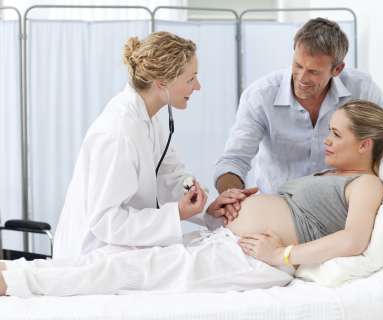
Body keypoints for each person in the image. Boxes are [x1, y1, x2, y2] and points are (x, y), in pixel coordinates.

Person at [0, 100, 383, 297]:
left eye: (336, 135)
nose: (326, 140)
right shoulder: (332, 174)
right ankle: (13, 272)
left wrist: (283, 255)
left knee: (128, 270)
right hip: (227, 243)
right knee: (116, 255)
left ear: (366, 144)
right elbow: (295, 210)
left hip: (250, 258)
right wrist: (247, 201)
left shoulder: (367, 185)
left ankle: (11, 282)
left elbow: (353, 241)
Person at [52, 31, 250, 259]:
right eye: (190, 79)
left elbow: (171, 174)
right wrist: (176, 213)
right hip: (92, 255)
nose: (198, 86)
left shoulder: (148, 118)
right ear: (161, 83)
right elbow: (106, 220)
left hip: (121, 251)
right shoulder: (119, 133)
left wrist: (207, 207)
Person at [213, 17, 383, 224]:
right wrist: (232, 195)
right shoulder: (260, 96)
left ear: (337, 69)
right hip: (280, 209)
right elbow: (234, 159)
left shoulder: (360, 87)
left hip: (337, 209)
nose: (301, 77)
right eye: (298, 65)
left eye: (313, 72)